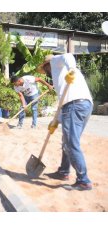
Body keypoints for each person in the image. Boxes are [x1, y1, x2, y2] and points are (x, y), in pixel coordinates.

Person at [38, 53, 93, 191]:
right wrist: (55, 120)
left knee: (71, 144)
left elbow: (67, 56)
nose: (45, 73)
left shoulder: (55, 62)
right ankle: (63, 172)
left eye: (45, 70)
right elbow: (64, 101)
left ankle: (83, 181)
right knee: (67, 141)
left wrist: (72, 69)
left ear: (46, 65)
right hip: (83, 104)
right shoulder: (61, 78)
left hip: (75, 105)